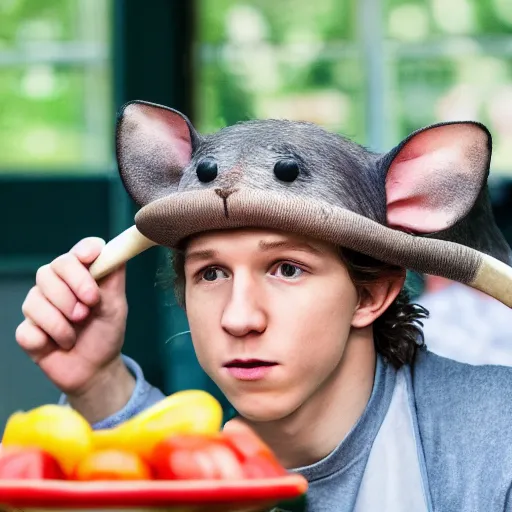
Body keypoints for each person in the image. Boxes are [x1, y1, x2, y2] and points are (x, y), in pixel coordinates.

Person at [15, 100, 512, 511]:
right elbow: (177, 476)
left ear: (371, 294)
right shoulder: (204, 458)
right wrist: (98, 382)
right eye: (211, 273)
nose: (239, 318)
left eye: (287, 268)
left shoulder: (500, 443)